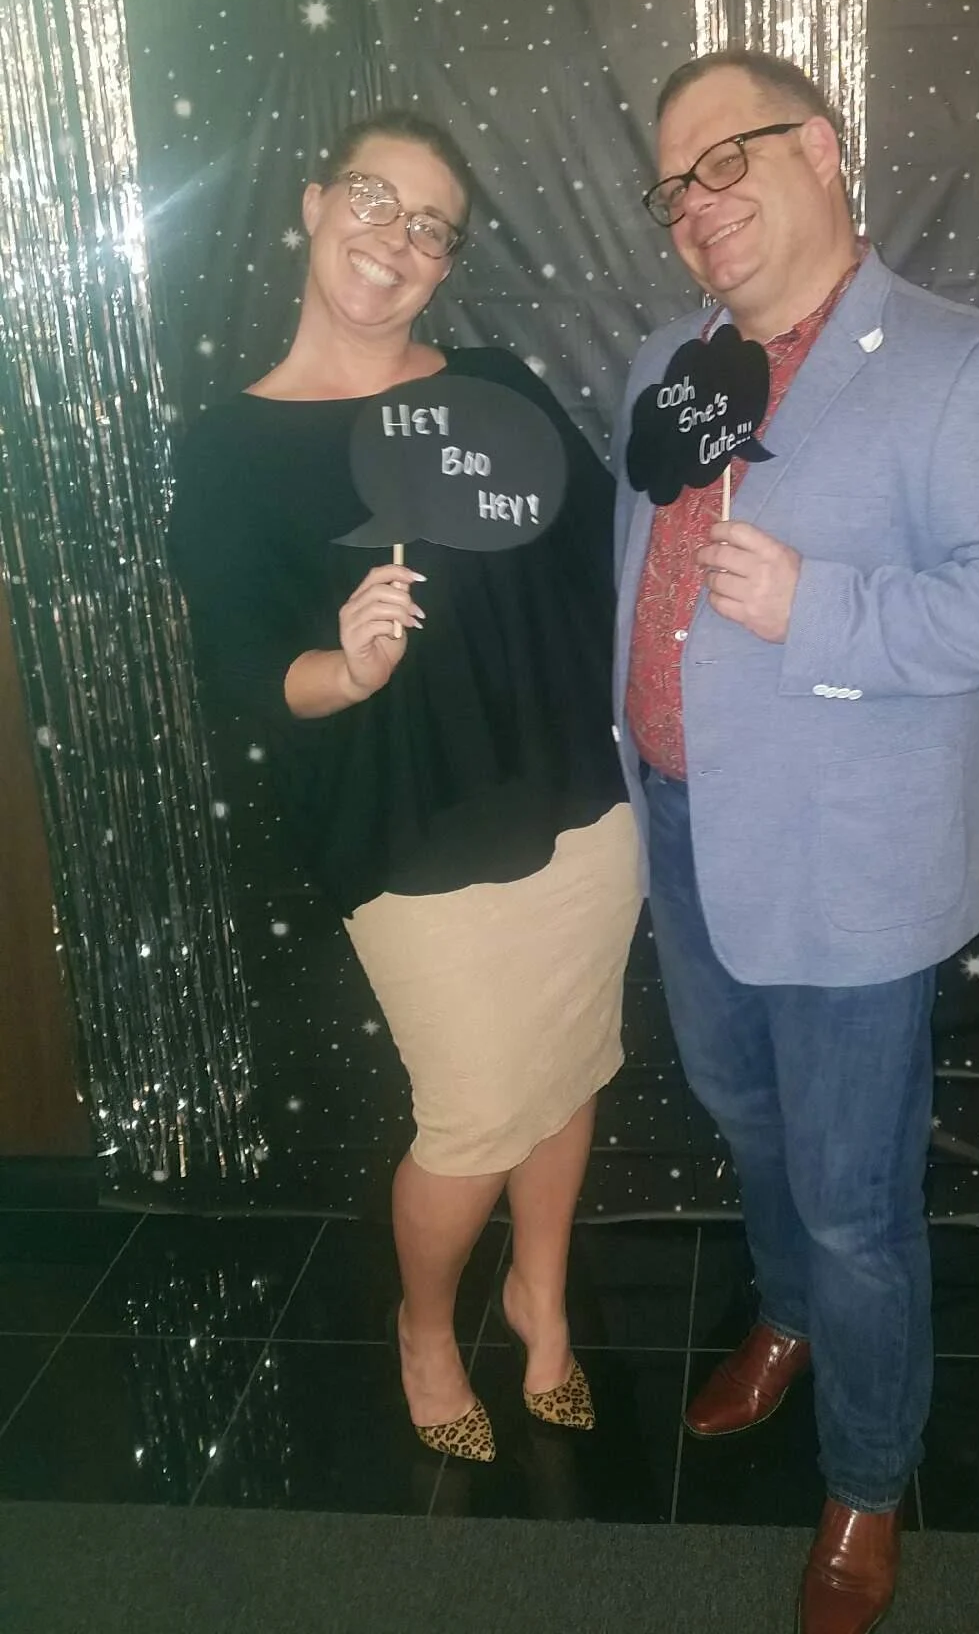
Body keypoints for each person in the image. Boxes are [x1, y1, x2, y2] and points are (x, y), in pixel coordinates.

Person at [615, 53, 979, 1633]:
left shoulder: (969, 363)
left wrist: (824, 610)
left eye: (730, 158)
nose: (702, 203)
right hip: (685, 834)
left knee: (853, 1202)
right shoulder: (665, 364)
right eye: (677, 184)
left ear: (822, 151)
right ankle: (787, 1318)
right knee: (741, 1120)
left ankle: (868, 1482)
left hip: (841, 867)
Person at [170, 109, 640, 1462]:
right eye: (376, 201)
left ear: (447, 262)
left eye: (432, 225)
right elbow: (248, 667)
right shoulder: (231, 448)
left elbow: (601, 548)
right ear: (314, 206)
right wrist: (348, 667)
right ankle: (425, 1326)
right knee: (477, 1109)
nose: (399, 240)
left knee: (567, 1066)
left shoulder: (493, 383)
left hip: (577, 805)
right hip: (408, 828)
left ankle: (538, 1298)